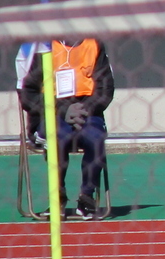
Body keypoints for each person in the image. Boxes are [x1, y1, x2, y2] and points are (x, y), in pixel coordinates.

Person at [20, 38, 115, 220]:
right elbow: (28, 94)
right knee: (57, 136)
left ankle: (87, 197)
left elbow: (106, 89)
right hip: (54, 111)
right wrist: (63, 110)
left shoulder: (94, 45)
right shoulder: (46, 48)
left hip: (88, 111)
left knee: (95, 138)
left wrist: (84, 110)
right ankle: (58, 197)